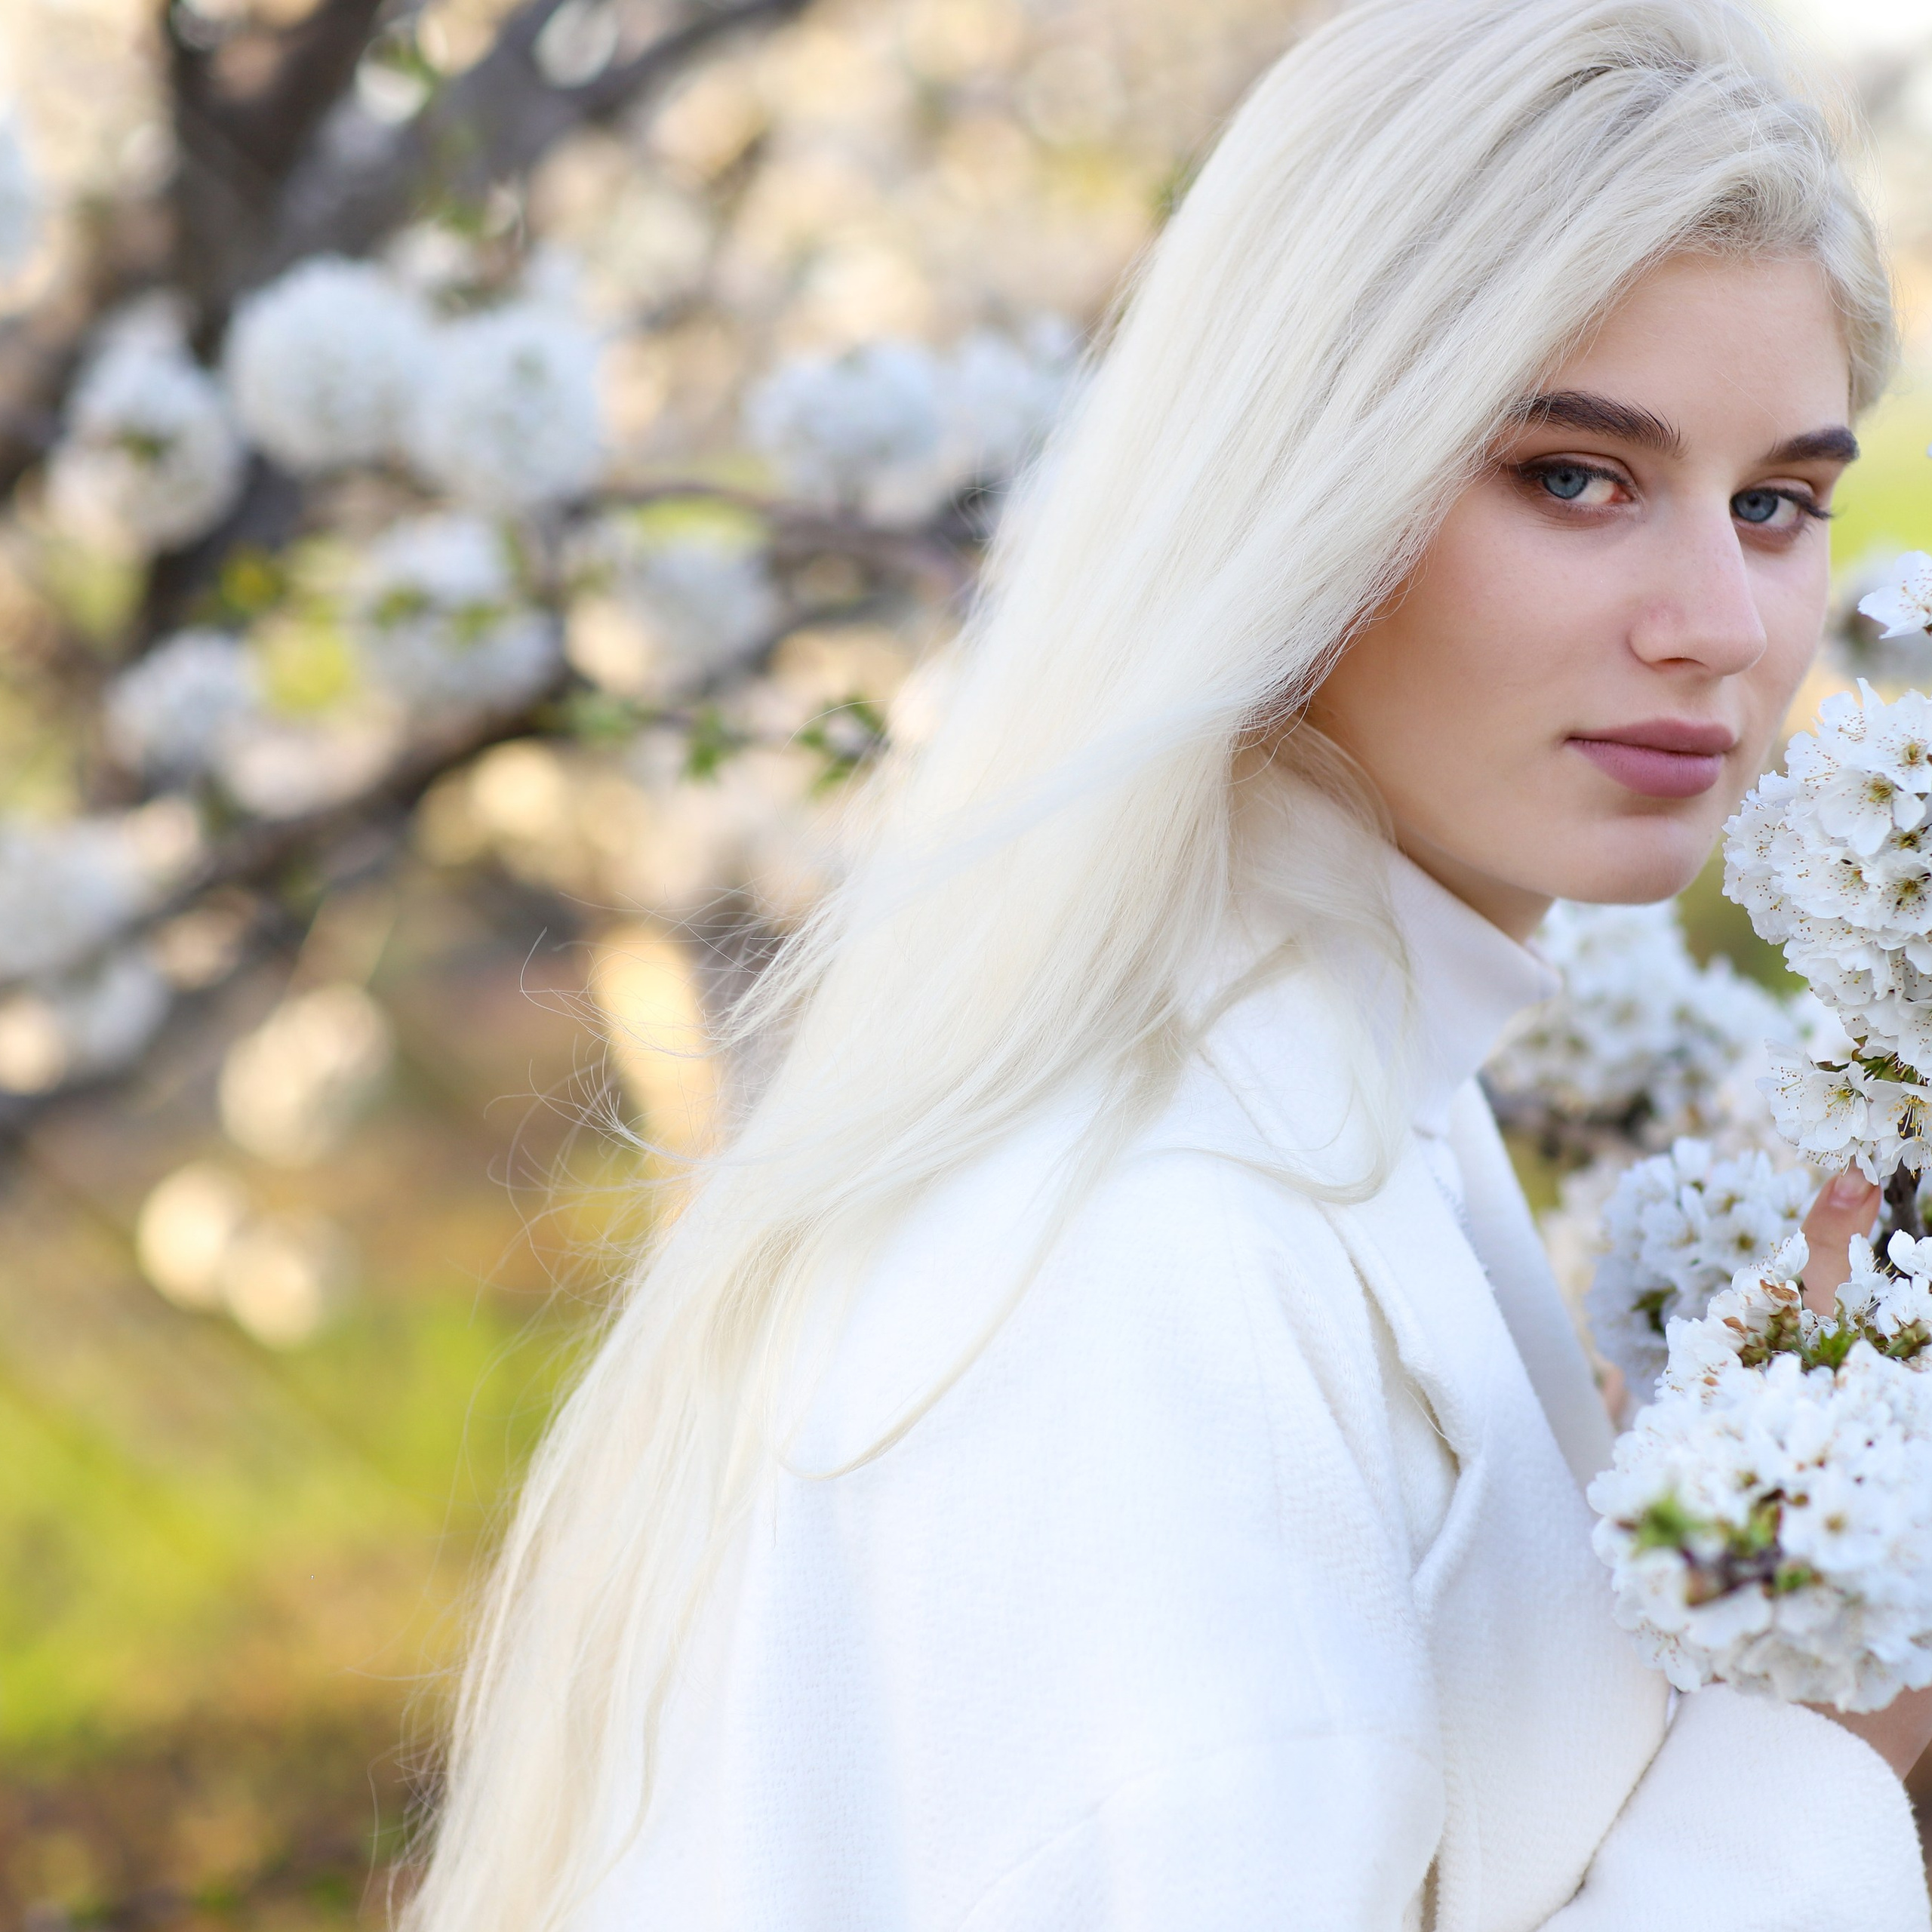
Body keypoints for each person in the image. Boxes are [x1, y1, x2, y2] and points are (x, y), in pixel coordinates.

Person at [405, 1, 1932, 1926]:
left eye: (1775, 501)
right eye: (1569, 473)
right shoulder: (1151, 1243)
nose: (1718, 622)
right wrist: (1823, 1736)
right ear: (1312, 478)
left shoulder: (1347, 1103)